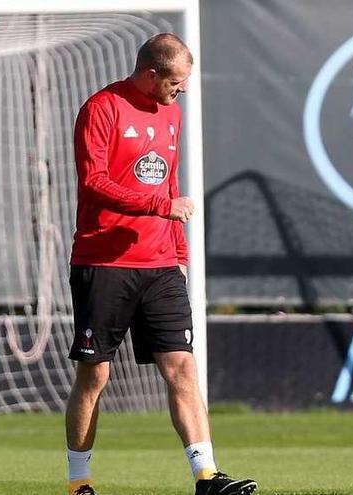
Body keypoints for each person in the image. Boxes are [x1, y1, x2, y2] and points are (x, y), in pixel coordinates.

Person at [65, 33, 257, 495]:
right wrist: (157, 207)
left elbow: (169, 184)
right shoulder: (102, 108)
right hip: (104, 262)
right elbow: (94, 183)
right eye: (176, 80)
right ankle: (79, 483)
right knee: (96, 374)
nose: (183, 89)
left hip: (160, 266)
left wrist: (181, 254)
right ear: (150, 74)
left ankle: (207, 477)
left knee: (183, 368)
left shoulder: (172, 111)